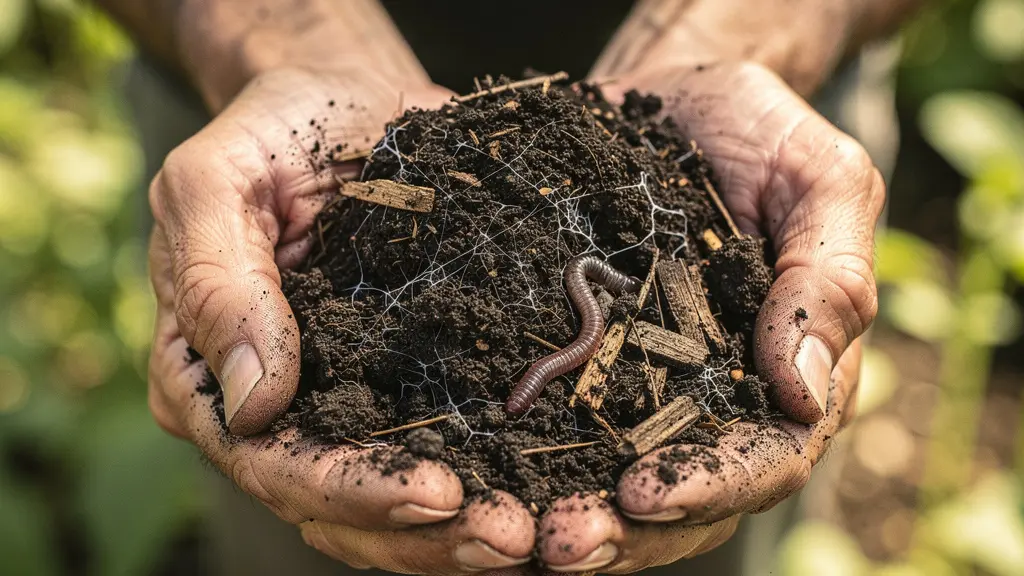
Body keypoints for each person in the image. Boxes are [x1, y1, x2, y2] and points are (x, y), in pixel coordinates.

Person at [96, 0, 922, 573]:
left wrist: (746, 34)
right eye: (529, 392)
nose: (529, 390)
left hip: (769, 75)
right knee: (305, 521)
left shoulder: (593, 304)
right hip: (256, 101)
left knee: (704, 536)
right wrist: (274, 39)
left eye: (530, 393)